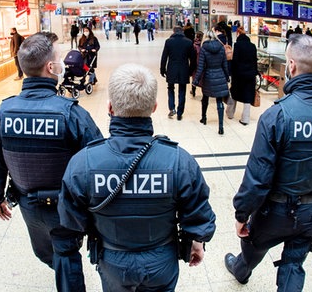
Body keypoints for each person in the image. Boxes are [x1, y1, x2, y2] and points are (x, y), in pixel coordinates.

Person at [58, 63, 216, 292]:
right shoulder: (179, 161)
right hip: (161, 259)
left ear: (110, 107)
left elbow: (72, 219)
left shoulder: (83, 163)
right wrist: (197, 241)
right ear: (154, 107)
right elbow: (198, 212)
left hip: (113, 259)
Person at [224, 34, 312, 291]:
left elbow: (258, 178)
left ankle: (241, 270)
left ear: (291, 66)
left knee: (254, 245)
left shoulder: (277, 115)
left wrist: (242, 213)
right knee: (294, 264)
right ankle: (243, 268)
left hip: (274, 212)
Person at [0, 32, 103, 291]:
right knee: (65, 252)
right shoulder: (71, 114)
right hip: (65, 207)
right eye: (58, 59)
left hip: (28, 205)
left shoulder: (4, 113)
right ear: (50, 68)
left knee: (46, 251)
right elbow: (98, 162)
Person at [193, 29, 230, 135]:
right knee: (219, 101)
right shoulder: (221, 47)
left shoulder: (204, 48)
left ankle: (204, 118)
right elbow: (225, 65)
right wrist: (227, 77)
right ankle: (221, 126)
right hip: (220, 76)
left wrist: (196, 81)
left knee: (205, 98)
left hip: (208, 77)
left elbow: (201, 67)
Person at [160, 26, 196, 121]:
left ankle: (172, 108)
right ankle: (180, 113)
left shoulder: (169, 41)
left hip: (172, 69)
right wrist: (191, 71)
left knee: (170, 88)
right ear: (182, 31)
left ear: (174, 31)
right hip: (184, 69)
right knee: (182, 91)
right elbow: (193, 59)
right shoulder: (188, 42)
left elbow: (164, 57)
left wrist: (162, 69)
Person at [226, 27, 257, 126]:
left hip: (239, 75)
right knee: (248, 97)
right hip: (250, 75)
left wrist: (231, 74)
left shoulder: (237, 45)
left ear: (238, 34)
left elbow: (235, 61)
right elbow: (254, 61)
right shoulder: (253, 46)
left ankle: (230, 113)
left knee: (234, 94)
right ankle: (245, 119)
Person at [190, 31, 204, 98]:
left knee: (194, 77)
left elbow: (191, 56)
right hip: (203, 63)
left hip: (195, 63)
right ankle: (204, 93)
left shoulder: (194, 44)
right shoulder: (204, 44)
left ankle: (193, 90)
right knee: (202, 78)